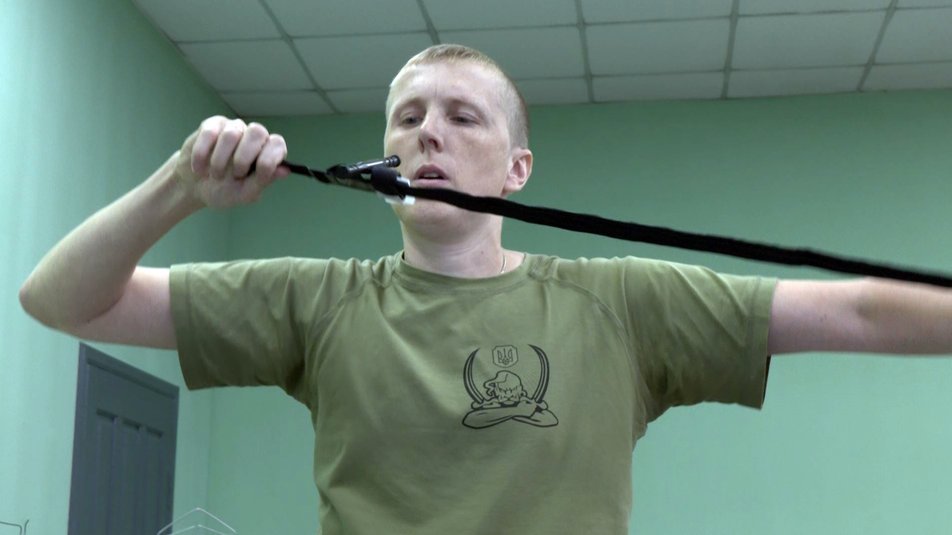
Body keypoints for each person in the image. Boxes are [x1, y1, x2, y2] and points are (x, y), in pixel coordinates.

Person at [18, 44, 952, 534]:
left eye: (463, 116)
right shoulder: (316, 299)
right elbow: (58, 301)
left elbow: (855, 310)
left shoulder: (622, 303)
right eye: (408, 117)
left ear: (516, 168)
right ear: (384, 157)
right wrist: (180, 187)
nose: (428, 133)